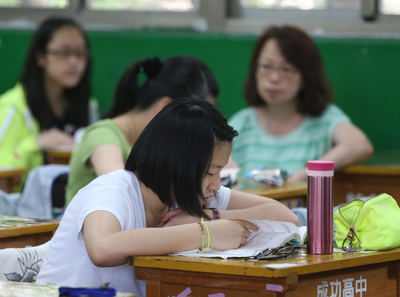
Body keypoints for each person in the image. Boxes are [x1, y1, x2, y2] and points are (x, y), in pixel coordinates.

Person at [36, 98, 300, 296]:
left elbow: (286, 218)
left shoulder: (192, 198)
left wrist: (211, 216)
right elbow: (103, 248)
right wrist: (205, 233)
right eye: (211, 172)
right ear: (178, 165)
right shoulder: (113, 189)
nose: (216, 185)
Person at [65, 55, 219, 205]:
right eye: (197, 121)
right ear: (166, 107)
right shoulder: (102, 136)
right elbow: (120, 189)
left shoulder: (160, 143)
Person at [228, 25, 373, 182]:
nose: (274, 78)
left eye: (286, 69)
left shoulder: (324, 118)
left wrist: (297, 180)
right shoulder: (241, 124)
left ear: (306, 77)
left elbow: (360, 145)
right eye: (266, 66)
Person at [0, 16, 98, 191]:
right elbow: (4, 170)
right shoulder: (12, 107)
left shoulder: (88, 106)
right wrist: (35, 143)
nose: (74, 61)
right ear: (41, 57)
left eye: (81, 53)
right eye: (64, 52)